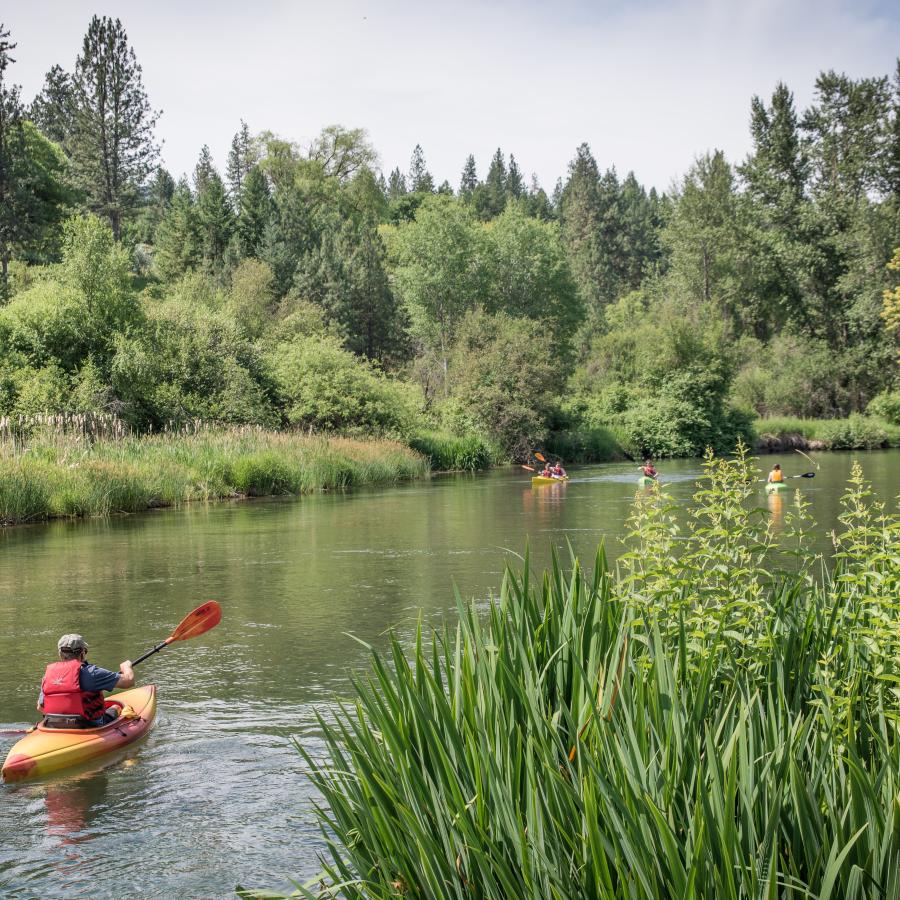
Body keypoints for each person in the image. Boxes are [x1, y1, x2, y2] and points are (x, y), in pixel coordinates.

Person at [38, 634, 134, 729]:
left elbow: (40, 707)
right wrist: (126, 667)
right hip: (88, 725)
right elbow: (129, 681)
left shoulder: (48, 675)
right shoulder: (92, 672)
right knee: (116, 707)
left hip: (54, 724)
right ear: (82, 653)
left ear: (60, 654)